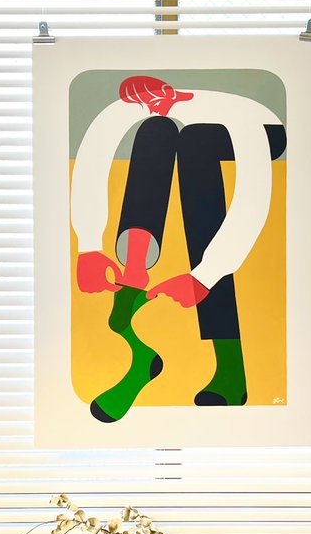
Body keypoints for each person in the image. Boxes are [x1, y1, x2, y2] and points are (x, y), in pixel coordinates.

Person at [69, 75, 286, 422]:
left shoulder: (244, 120)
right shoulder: (125, 110)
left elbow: (253, 198)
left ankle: (231, 369)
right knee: (155, 131)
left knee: (196, 144)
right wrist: (90, 246)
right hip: (188, 126)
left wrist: (205, 276)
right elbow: (93, 160)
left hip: (264, 131)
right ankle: (133, 278)